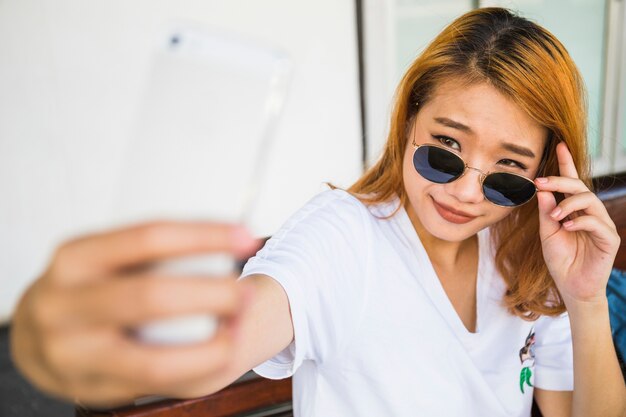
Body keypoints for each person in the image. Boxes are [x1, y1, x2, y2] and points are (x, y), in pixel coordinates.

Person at [10, 7, 626, 417]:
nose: (466, 192)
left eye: (506, 177)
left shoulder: (528, 252)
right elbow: (221, 349)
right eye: (445, 152)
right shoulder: (341, 237)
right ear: (409, 122)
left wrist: (587, 298)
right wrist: (65, 337)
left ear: (544, 174)